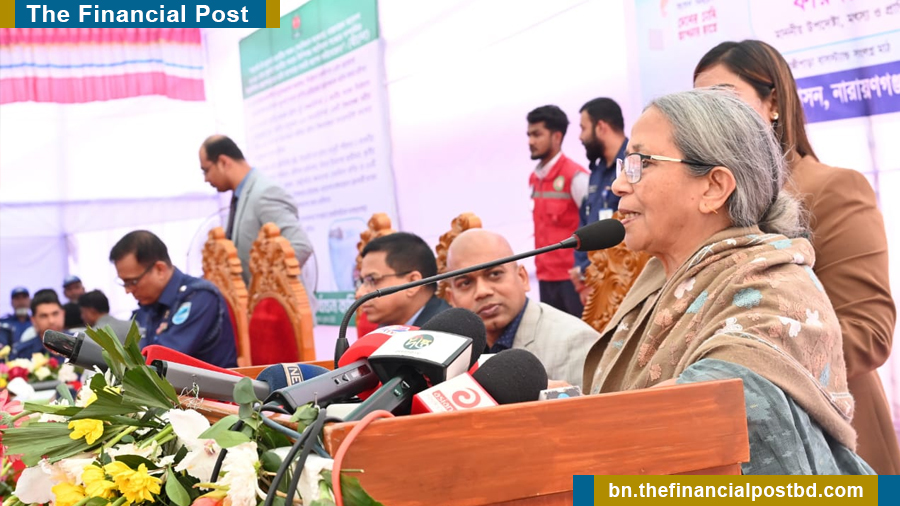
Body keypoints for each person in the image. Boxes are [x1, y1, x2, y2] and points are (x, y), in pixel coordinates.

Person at [583, 88, 871, 474]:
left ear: (714, 187)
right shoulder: (661, 281)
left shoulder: (774, 286)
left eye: (641, 163)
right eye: (624, 164)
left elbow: (713, 405)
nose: (619, 185)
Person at [694, 40, 899, 475]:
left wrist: (747, 370)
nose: (710, 115)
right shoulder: (709, 203)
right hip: (736, 443)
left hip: (834, 440)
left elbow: (869, 329)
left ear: (773, 103)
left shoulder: (833, 188)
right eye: (699, 103)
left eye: (724, 98)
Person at [446, 228, 598, 388]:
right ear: (451, 298)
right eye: (465, 283)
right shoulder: (450, 351)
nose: (482, 291)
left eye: (494, 274)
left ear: (522, 277)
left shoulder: (574, 343)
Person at [109, 230, 237, 368]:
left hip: (208, 382)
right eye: (124, 283)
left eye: (132, 282)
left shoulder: (199, 297)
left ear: (160, 270)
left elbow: (161, 363)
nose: (127, 290)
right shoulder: (147, 306)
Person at [199, 135, 314, 285]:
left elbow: (300, 246)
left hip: (276, 299)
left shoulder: (264, 193)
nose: (206, 179)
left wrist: (264, 289)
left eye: (206, 170)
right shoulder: (239, 197)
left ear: (223, 162)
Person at [526, 105, 589, 317]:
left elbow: (591, 224)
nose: (531, 141)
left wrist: (585, 272)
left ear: (556, 137)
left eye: (537, 134)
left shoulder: (576, 176)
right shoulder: (534, 178)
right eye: (529, 135)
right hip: (545, 277)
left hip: (572, 280)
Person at [570, 98, 628, 302]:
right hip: (594, 282)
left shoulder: (634, 165)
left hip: (623, 280)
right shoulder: (596, 171)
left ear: (601, 127)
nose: (580, 136)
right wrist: (582, 270)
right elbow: (585, 222)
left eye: (583, 128)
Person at [355, 232, 450, 328]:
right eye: (362, 282)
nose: (359, 294)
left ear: (413, 283)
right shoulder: (385, 328)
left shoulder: (445, 330)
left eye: (372, 279)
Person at [13, 288, 65, 359]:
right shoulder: (21, 353)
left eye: (55, 314)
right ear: (33, 320)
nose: (51, 321)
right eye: (44, 316)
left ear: (63, 314)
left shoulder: (79, 344)